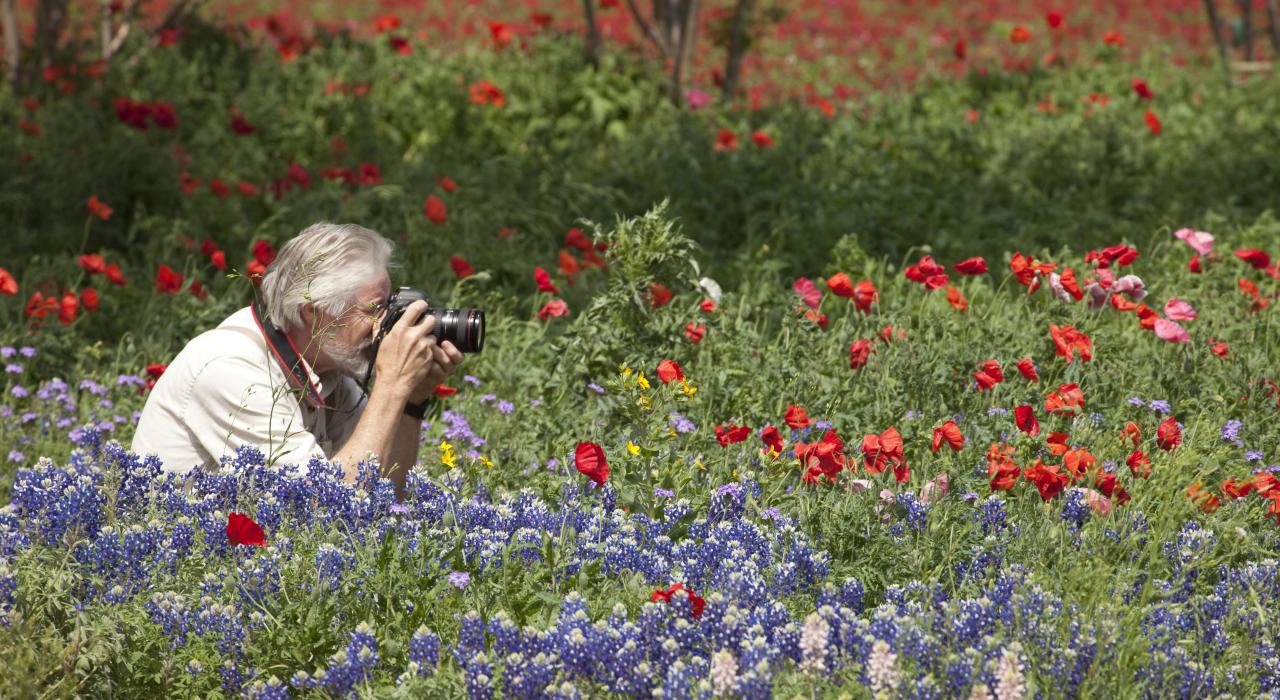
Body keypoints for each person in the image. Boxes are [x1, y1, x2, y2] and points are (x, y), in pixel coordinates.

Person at [131, 222, 462, 493]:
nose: (387, 325)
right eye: (374, 310)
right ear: (313, 314)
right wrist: (390, 384)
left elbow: (384, 493)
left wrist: (412, 399)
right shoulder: (232, 369)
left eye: (389, 306)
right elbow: (327, 506)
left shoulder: (330, 365)